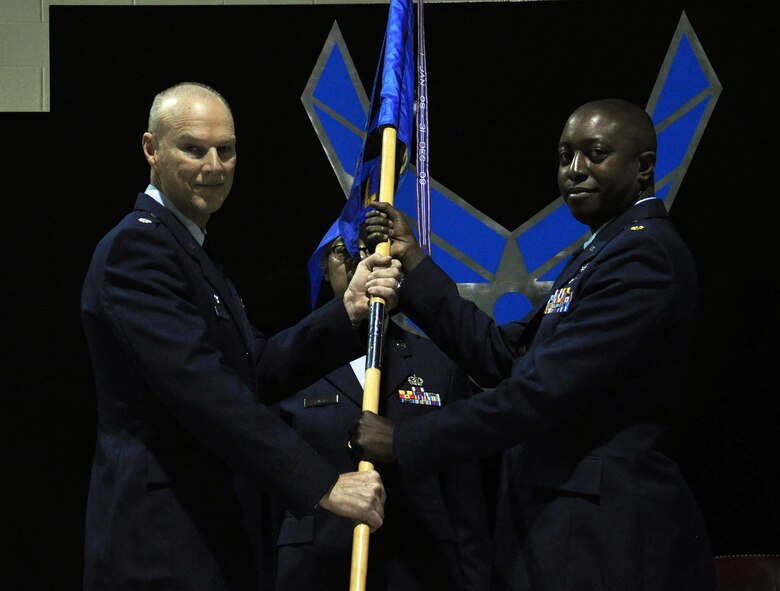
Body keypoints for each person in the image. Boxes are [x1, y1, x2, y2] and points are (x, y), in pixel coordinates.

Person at [350, 99, 715, 590]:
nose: (575, 170)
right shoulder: (602, 251)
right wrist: (413, 261)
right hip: (561, 528)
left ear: (644, 167)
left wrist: (406, 442)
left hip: (603, 539)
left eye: (596, 154)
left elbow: (541, 392)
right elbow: (507, 357)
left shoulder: (644, 255)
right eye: (566, 156)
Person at [80, 82, 401, 591]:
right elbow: (205, 392)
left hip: (210, 539)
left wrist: (348, 309)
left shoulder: (189, 248)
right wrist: (323, 483)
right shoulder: (137, 250)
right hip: (161, 547)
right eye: (193, 148)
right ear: (151, 150)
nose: (213, 165)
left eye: (225, 150)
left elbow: (255, 368)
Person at [264, 229, 492, 591]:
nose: (359, 259)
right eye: (344, 251)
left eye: (370, 248)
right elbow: (267, 495)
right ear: (324, 268)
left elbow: (466, 504)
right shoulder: (287, 366)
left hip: (419, 571)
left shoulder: (440, 365)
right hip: (314, 570)